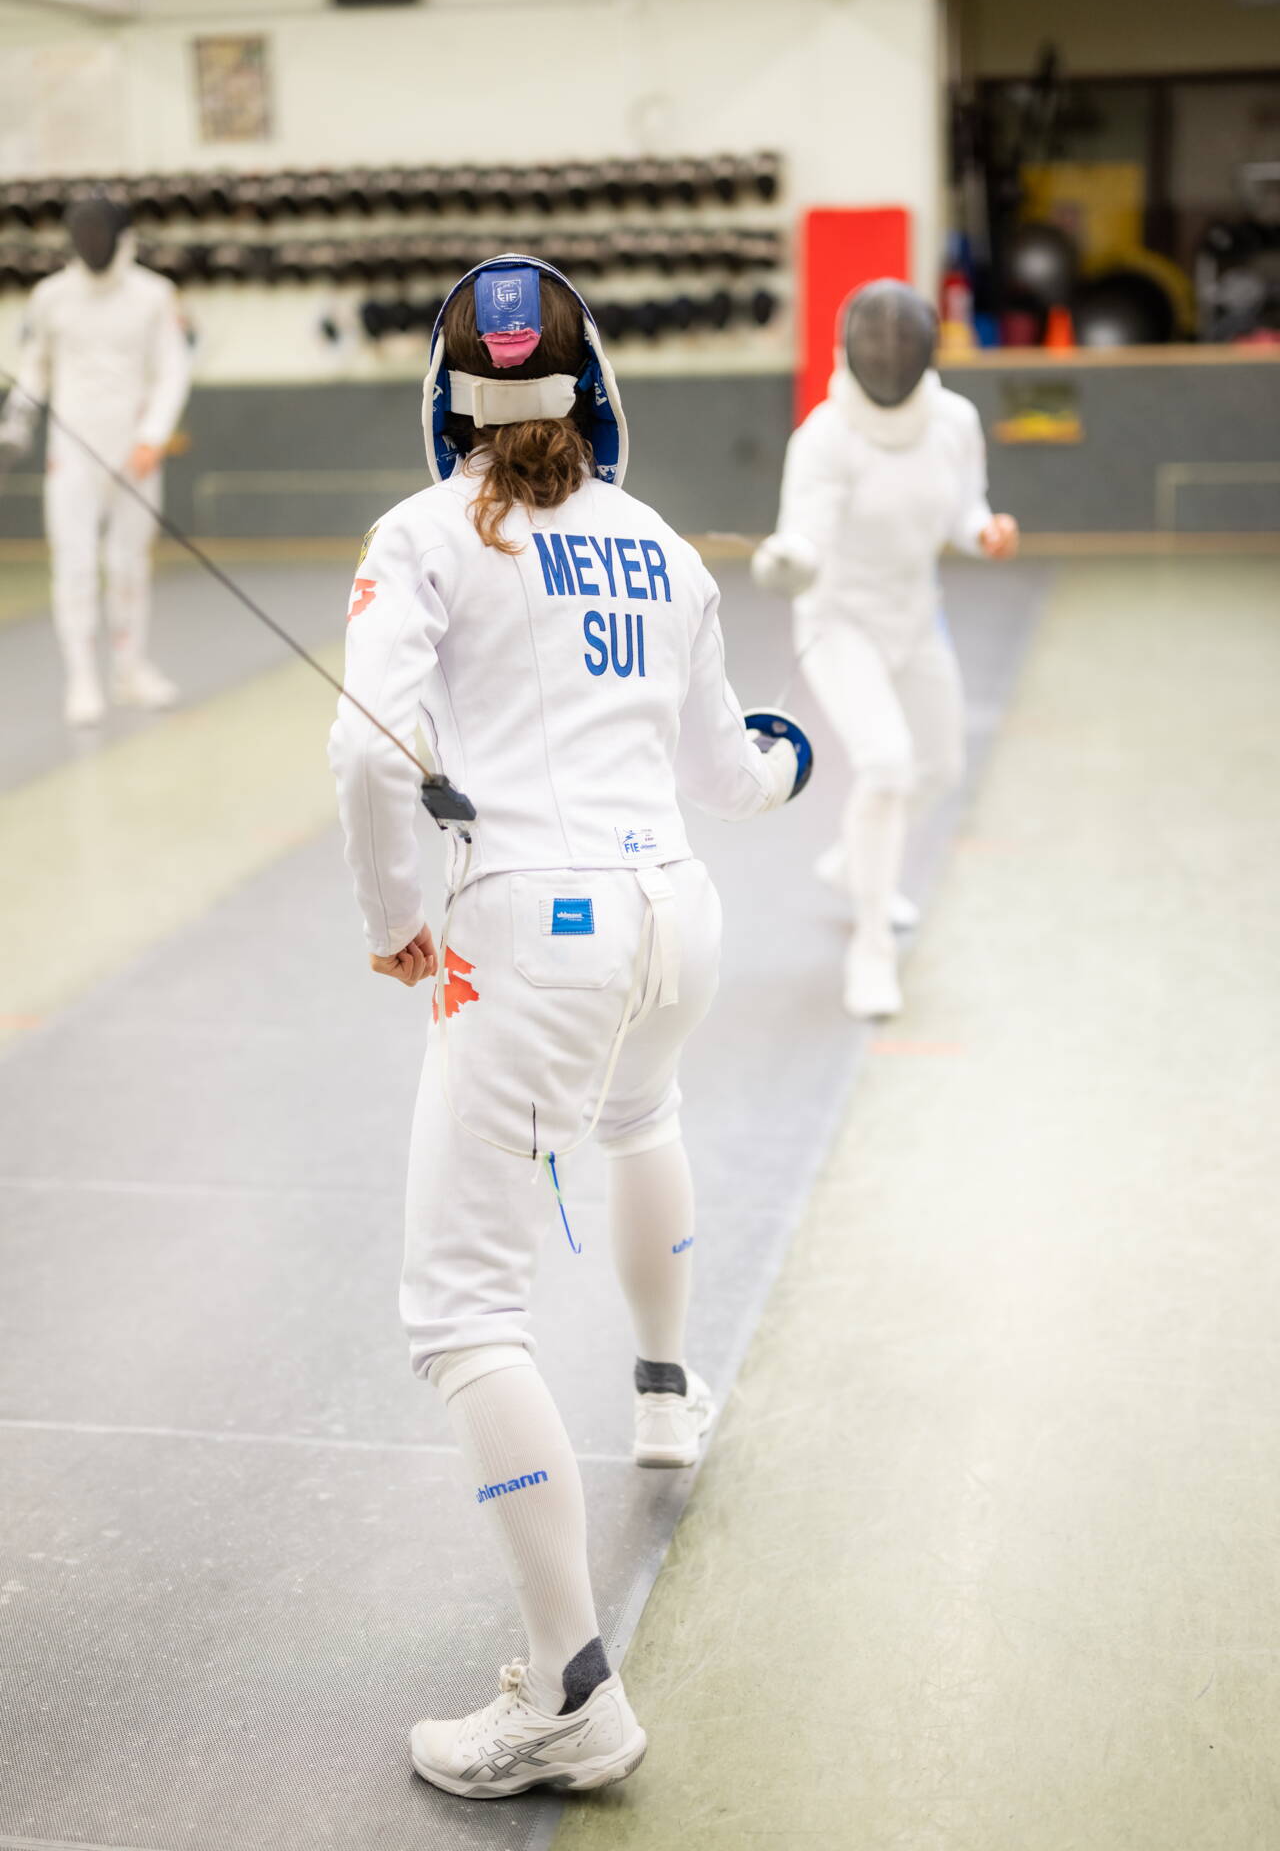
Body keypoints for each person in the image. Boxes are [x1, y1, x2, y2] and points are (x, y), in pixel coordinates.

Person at [328, 256, 807, 1800]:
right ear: (597, 391)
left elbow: (365, 754)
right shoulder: (662, 546)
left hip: (535, 937)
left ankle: (573, 1697)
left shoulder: (420, 537)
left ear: (443, 403)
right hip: (678, 923)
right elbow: (731, 771)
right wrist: (795, 763)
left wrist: (393, 915)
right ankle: (666, 1396)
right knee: (642, 1119)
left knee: (464, 1314)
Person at [752, 278, 1019, 1021]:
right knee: (887, 765)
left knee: (939, 767)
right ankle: (871, 952)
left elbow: (964, 508)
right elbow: (807, 534)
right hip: (839, 621)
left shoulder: (953, 421)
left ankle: (851, 865)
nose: (891, 357)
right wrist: (790, 559)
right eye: (878, 346)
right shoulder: (826, 436)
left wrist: (984, 532)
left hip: (913, 614)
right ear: (850, 351)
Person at [0, 193, 190, 727]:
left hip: (134, 452)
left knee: (128, 564)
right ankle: (82, 679)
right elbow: (35, 365)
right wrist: (17, 421)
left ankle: (129, 670)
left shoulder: (154, 296)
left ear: (122, 239)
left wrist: (153, 436)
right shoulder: (50, 297)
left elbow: (172, 370)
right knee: (75, 566)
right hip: (72, 453)